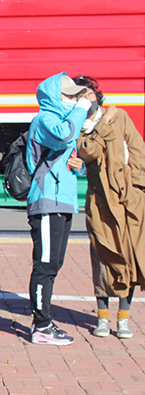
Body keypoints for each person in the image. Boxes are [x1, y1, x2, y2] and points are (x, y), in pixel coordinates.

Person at [75, 75, 145, 340]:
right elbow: (87, 151)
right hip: (100, 203)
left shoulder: (121, 117)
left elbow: (138, 152)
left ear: (96, 95)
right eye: (79, 95)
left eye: (88, 93)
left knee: (128, 258)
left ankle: (124, 319)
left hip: (128, 201)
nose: (85, 98)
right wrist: (102, 125)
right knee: (103, 257)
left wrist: (137, 190)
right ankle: (102, 317)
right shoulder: (81, 127)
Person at [26, 73, 91, 345]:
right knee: (45, 265)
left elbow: (69, 157)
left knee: (54, 264)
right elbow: (64, 138)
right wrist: (82, 109)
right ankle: (41, 326)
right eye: (69, 95)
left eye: (76, 96)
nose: (75, 100)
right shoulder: (45, 120)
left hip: (62, 200)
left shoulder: (65, 121)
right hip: (47, 201)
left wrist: (81, 167)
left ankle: (45, 322)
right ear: (54, 96)